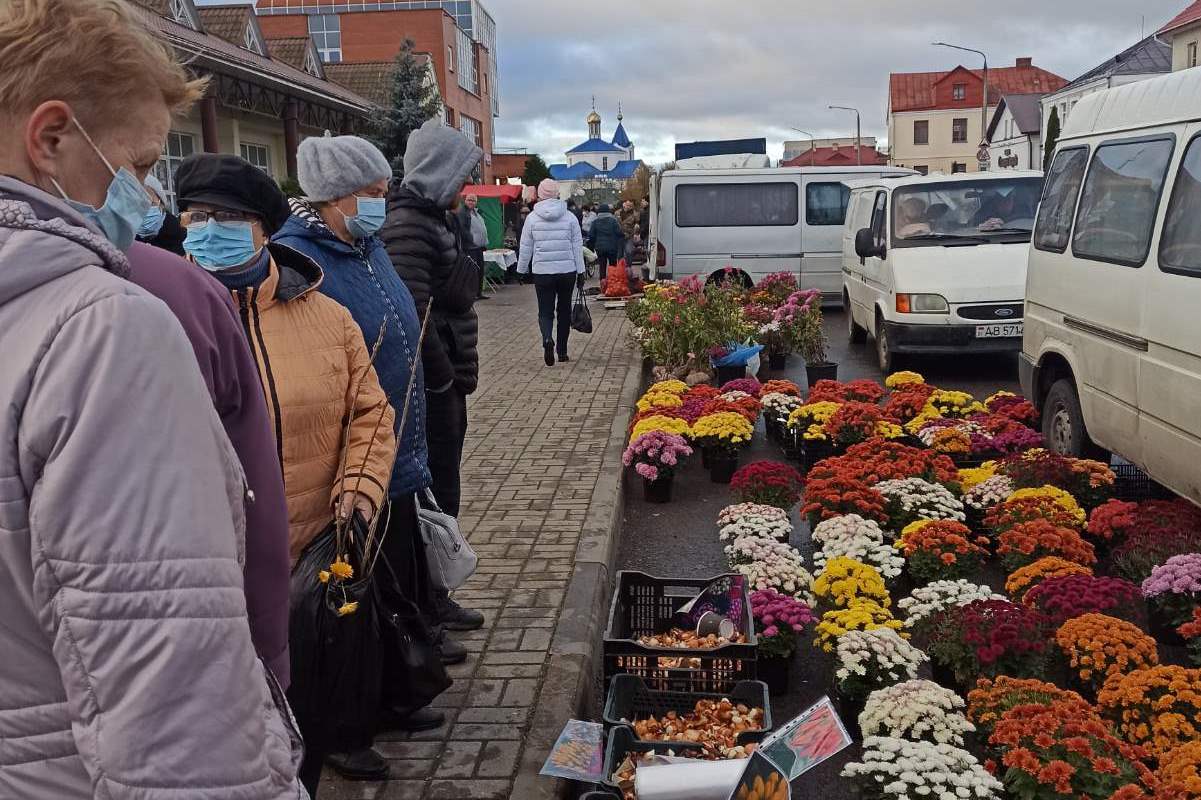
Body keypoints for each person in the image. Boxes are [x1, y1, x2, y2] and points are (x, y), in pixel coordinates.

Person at [0, 0, 305, 797]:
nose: (153, 201)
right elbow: (172, 682)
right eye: (138, 165)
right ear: (52, 138)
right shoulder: (101, 328)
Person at [174, 153, 398, 796]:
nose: (207, 229)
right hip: (204, 569)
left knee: (306, 711)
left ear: (265, 229)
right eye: (197, 217)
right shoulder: (153, 315)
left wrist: (357, 495)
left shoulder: (327, 319)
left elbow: (371, 415)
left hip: (309, 556)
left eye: (228, 218)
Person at [276, 134, 463, 752]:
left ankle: (395, 691)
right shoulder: (298, 258)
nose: (383, 202)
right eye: (372, 193)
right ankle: (346, 722)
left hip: (395, 443)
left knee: (394, 585)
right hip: (344, 458)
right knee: (351, 596)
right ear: (333, 196)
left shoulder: (366, 244)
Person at [381, 119, 487, 627]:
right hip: (431, 386)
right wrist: (442, 379)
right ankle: (428, 603)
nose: (465, 189)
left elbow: (455, 291)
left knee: (445, 487)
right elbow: (414, 317)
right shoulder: (410, 226)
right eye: (460, 176)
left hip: (445, 382)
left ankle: (435, 595)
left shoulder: (436, 220)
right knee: (434, 491)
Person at [518, 178, 586, 366]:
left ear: (539, 195)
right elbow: (577, 246)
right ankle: (562, 351)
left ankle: (547, 338)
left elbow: (526, 247)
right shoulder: (570, 217)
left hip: (542, 272)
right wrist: (581, 271)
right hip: (567, 271)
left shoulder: (532, 218)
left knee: (545, 311)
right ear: (557, 194)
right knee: (564, 310)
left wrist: (521, 270)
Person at [136, 172, 187, 255]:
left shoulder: (185, 242)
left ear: (161, 205)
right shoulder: (122, 244)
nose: (142, 209)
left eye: (148, 202)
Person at [458, 192, 489, 300]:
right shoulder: (463, 213)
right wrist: (471, 241)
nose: (471, 202)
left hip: (479, 247)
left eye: (473, 200)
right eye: (469, 200)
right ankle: (472, 294)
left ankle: (478, 293)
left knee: (480, 271)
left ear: (476, 202)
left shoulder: (477, 213)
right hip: (470, 248)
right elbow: (463, 230)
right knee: (472, 272)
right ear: (465, 201)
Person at [589, 202, 624, 272]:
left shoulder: (595, 222)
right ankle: (613, 280)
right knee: (613, 266)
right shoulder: (613, 221)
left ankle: (602, 280)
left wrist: (594, 244)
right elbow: (619, 232)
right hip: (612, 247)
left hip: (600, 247)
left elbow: (591, 235)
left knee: (602, 266)